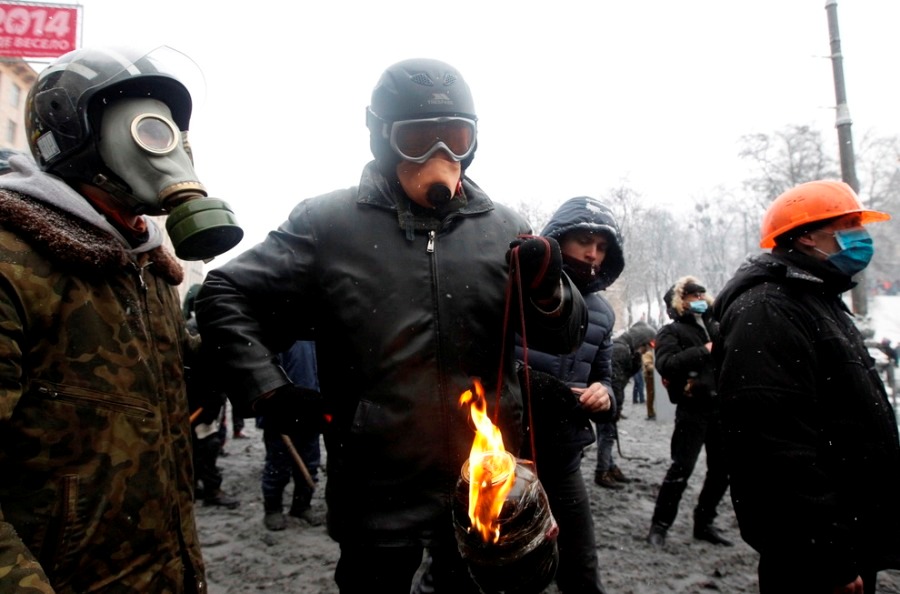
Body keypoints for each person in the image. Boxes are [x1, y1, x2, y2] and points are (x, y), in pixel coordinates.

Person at [195, 57, 587, 594]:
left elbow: (563, 336)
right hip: (376, 489)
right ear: (381, 137)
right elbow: (225, 293)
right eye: (418, 139)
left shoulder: (504, 228)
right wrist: (269, 391)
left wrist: (549, 292)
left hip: (486, 482)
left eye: (455, 138)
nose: (440, 156)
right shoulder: (328, 224)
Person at [0, 45, 242, 592]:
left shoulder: (148, 267)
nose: (173, 152)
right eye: (150, 131)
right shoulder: (11, 264)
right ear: (74, 136)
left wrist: (244, 332)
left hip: (164, 572)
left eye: (175, 134)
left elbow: (159, 392)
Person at [712, 180, 900, 593]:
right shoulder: (769, 309)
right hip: (814, 556)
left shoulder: (816, 299)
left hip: (846, 532)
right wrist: (824, 555)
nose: (861, 237)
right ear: (805, 236)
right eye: (847, 225)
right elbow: (774, 449)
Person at [513, 195, 623, 593]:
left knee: (580, 566)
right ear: (559, 239)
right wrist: (539, 387)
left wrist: (604, 397)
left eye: (602, 247)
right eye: (585, 242)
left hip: (563, 458)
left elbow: (607, 381)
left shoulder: (603, 313)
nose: (593, 254)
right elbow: (482, 365)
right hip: (505, 456)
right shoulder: (515, 289)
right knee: (500, 566)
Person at [646, 277, 731, 548]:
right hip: (692, 408)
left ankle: (704, 522)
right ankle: (659, 526)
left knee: (722, 470)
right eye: (691, 295)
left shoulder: (717, 327)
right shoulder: (671, 331)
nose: (698, 299)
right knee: (681, 468)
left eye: (701, 294)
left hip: (721, 409)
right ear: (679, 302)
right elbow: (666, 364)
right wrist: (702, 352)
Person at [183, 283, 240, 509]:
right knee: (205, 445)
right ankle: (210, 490)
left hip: (208, 399)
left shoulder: (206, 327)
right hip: (198, 401)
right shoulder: (195, 329)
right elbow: (197, 369)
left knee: (202, 445)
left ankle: (196, 486)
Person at [261, 340, 323, 531]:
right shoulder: (280, 336)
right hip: (281, 414)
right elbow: (264, 378)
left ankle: (301, 506)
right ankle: (273, 509)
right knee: (278, 465)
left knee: (310, 462)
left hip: (311, 410)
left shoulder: (315, 340)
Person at [594, 321, 656, 489]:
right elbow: (616, 383)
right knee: (607, 436)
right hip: (606, 401)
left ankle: (610, 467)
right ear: (641, 341)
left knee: (607, 435)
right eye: (647, 346)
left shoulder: (626, 349)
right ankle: (602, 472)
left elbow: (625, 375)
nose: (647, 351)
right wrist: (616, 408)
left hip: (606, 399)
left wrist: (636, 361)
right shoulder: (620, 349)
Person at [642, 348, 657, 420]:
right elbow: (647, 365)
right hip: (650, 377)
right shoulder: (648, 354)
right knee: (650, 395)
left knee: (653, 395)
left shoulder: (654, 353)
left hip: (654, 377)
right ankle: (650, 412)